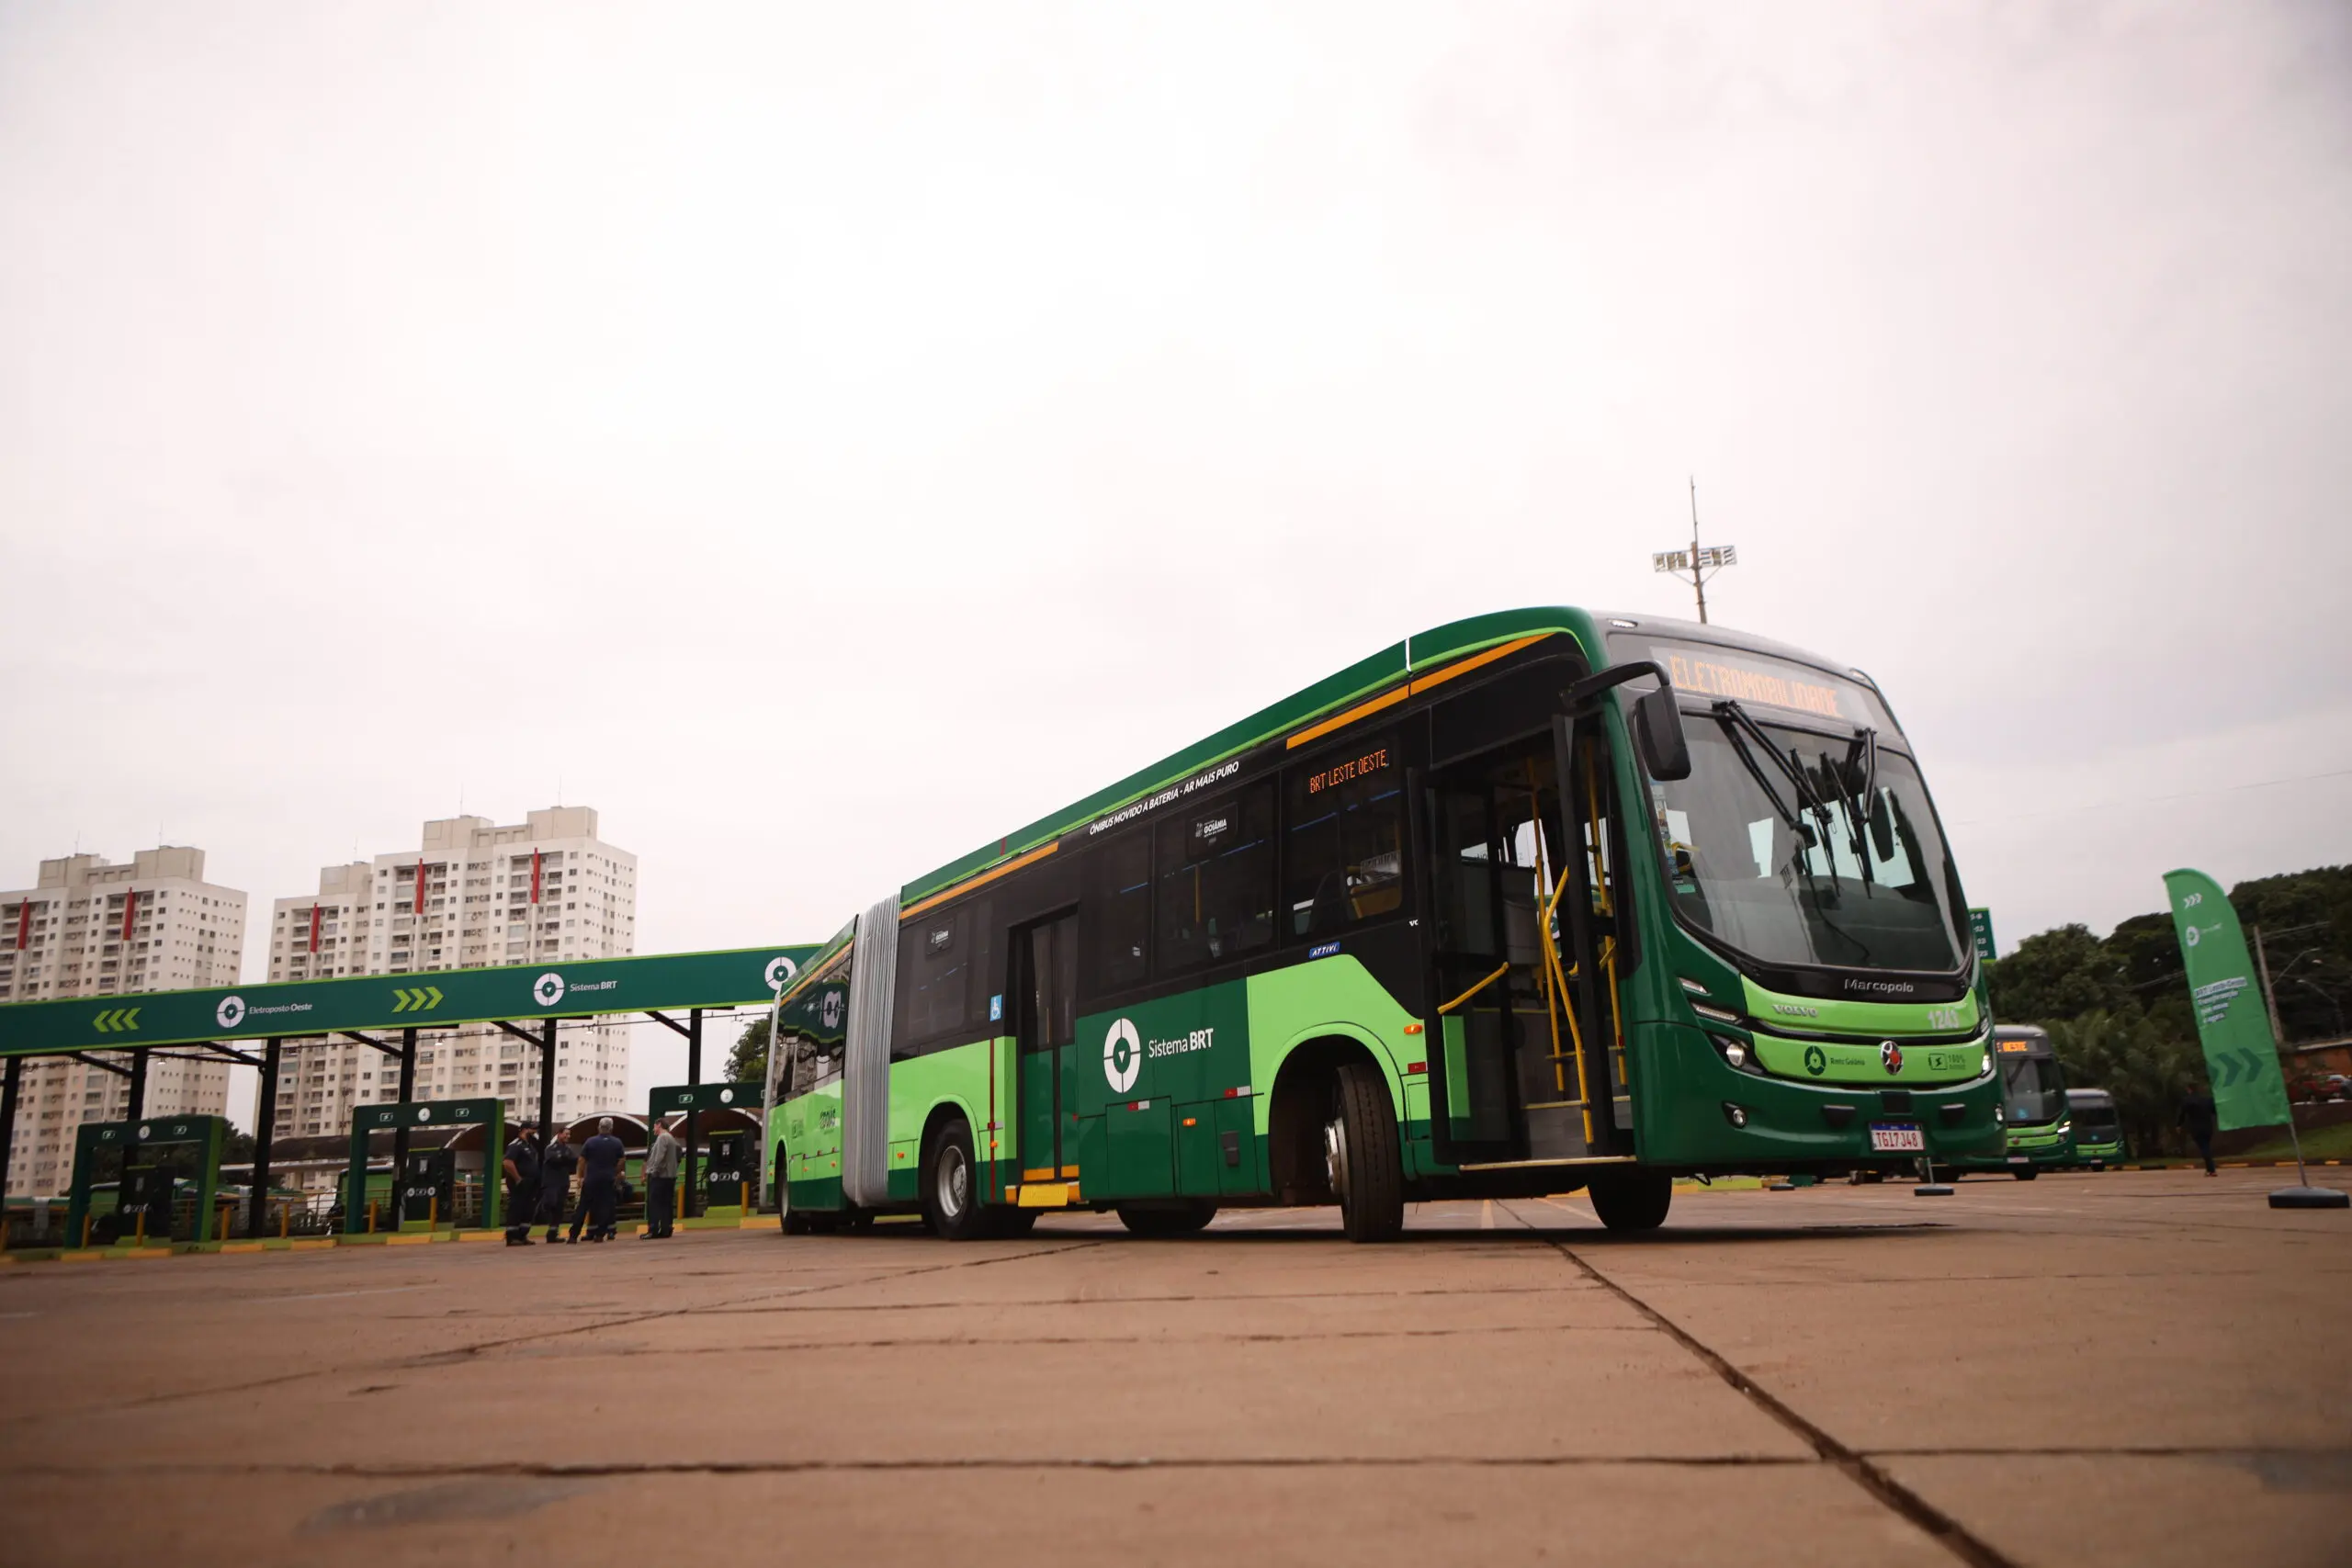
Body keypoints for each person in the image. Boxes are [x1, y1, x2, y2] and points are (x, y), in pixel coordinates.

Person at [569, 1116, 628, 1243]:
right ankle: (600, 1234)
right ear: (611, 1128)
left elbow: (581, 1160)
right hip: (608, 1179)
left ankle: (573, 1235)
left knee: (583, 1207)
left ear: (598, 1127)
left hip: (591, 1179)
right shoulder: (617, 1142)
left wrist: (580, 1177)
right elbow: (622, 1160)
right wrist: (614, 1171)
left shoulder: (590, 1142)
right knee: (605, 1207)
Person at [642, 1118, 682, 1239]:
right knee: (666, 1203)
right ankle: (666, 1228)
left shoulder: (662, 1137)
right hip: (670, 1176)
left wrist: (654, 1171)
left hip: (661, 1176)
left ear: (659, 1125)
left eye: (654, 1126)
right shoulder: (672, 1139)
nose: (654, 1129)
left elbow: (659, 1157)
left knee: (654, 1203)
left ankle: (653, 1229)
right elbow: (679, 1153)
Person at [539, 1128, 580, 1243]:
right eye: (566, 1134)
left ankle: (552, 1234)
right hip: (551, 1182)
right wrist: (565, 1159)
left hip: (563, 1182)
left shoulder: (568, 1149)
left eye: (569, 1134)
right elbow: (554, 1159)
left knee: (559, 1208)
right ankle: (540, 1210)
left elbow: (574, 1160)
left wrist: (564, 1159)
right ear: (559, 1134)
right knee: (550, 1203)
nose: (568, 1136)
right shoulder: (550, 1148)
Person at [503, 1123, 540, 1246]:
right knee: (517, 1208)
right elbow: (508, 1163)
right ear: (524, 1130)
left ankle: (522, 1235)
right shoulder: (516, 1145)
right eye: (532, 1129)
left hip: (531, 1182)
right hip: (520, 1182)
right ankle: (512, 1236)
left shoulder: (529, 1146)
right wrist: (518, 1179)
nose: (534, 1132)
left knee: (528, 1209)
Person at [2179, 1089, 2220, 1178]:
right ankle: (2210, 1169)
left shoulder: (2188, 1101)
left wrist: (2179, 1125)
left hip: (2196, 1128)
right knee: (2206, 1146)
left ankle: (2211, 1169)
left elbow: (2182, 1114)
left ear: (2189, 1090)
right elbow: (2214, 1112)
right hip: (2208, 1127)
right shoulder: (2208, 1100)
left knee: (2204, 1147)